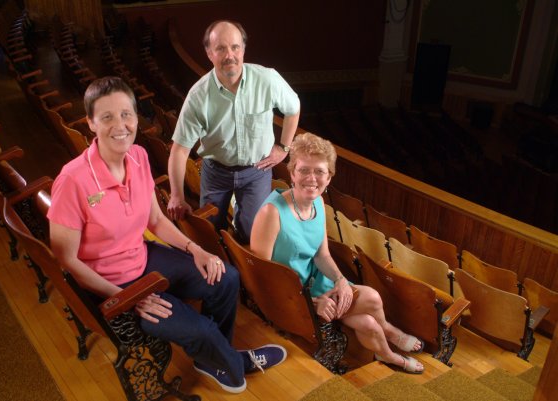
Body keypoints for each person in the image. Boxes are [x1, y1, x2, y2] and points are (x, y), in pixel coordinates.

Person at [47, 76, 287, 394]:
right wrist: (127, 298)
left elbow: (156, 220)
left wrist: (195, 250)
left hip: (143, 256)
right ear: (91, 122)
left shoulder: (138, 156)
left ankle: (214, 357)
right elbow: (67, 260)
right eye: (106, 116)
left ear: (135, 116)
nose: (120, 125)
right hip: (112, 284)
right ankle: (231, 361)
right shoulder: (72, 181)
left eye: (126, 114)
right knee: (200, 329)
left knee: (226, 277)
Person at [250, 132, 425, 374]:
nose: (312, 178)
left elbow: (321, 255)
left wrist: (341, 281)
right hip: (291, 297)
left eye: (320, 171)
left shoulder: (319, 203)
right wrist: (313, 303)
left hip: (318, 283)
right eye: (304, 170)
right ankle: (391, 334)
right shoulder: (272, 213)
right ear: (291, 173)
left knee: (367, 323)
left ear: (329, 178)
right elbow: (262, 278)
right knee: (372, 298)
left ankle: (387, 355)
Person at [167, 20, 300, 243]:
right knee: (209, 231)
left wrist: (284, 147)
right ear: (209, 53)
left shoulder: (267, 79)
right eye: (220, 48)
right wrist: (177, 196)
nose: (230, 55)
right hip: (216, 172)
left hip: (256, 171)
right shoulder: (198, 95)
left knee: (253, 234)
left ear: (244, 49)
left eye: (235, 47)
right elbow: (179, 150)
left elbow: (293, 109)